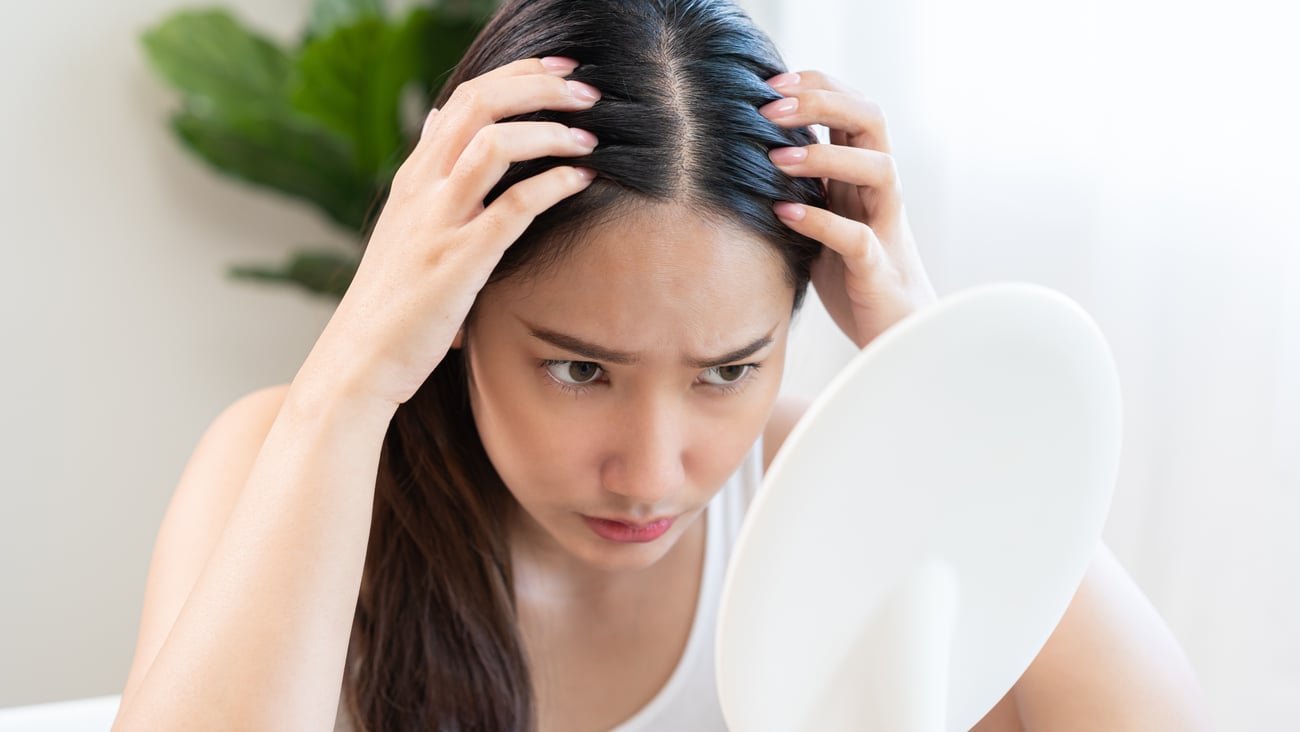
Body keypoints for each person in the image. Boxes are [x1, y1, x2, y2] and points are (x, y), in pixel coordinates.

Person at [112, 0, 1212, 730]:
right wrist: (348, 385)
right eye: (580, 371)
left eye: (728, 371)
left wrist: (930, 361)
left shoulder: (823, 490)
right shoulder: (287, 458)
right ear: (454, 303)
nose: (651, 472)